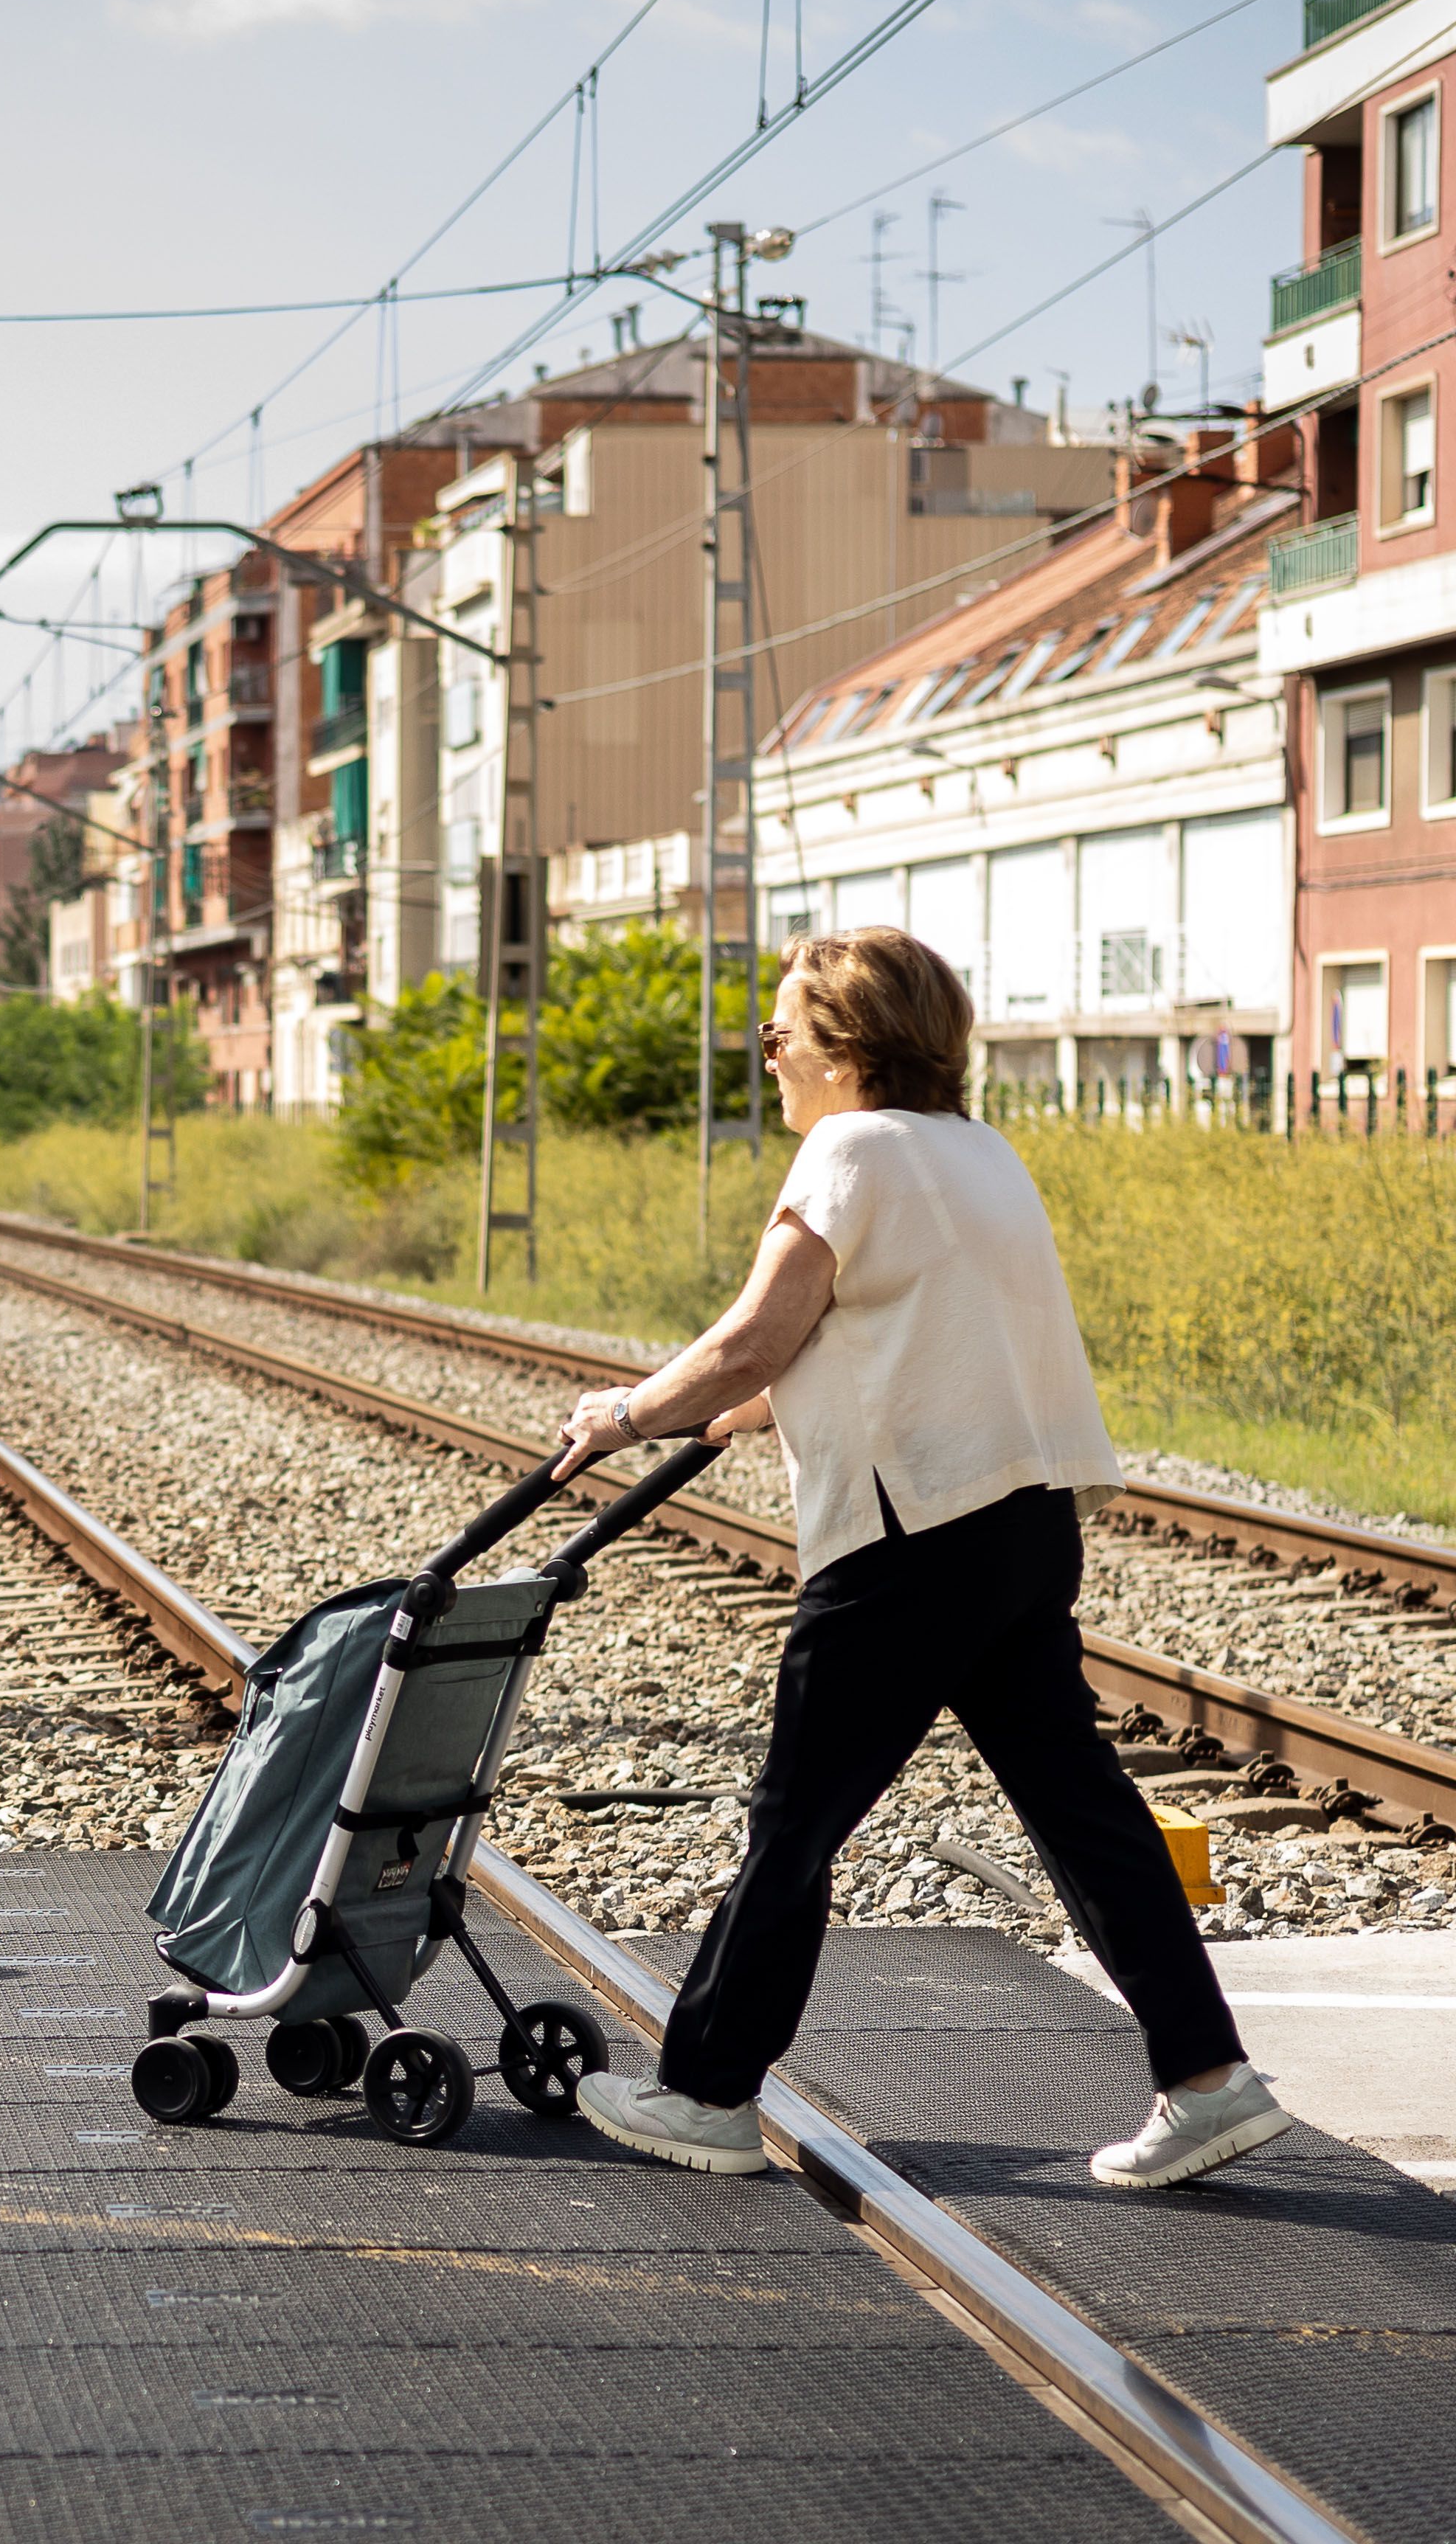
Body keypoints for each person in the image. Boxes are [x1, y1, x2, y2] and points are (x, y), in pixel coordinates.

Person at [555, 929, 1291, 2192]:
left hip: (910, 1540)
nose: (771, 1054)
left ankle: (705, 2092)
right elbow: (894, 1335)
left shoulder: (848, 1149)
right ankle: (1208, 2076)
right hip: (1018, 1519)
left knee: (794, 1820)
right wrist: (743, 1409)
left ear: (848, 1044)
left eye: (783, 1032)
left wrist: (626, 1413)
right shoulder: (978, 1152)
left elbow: (754, 1337)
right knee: (1082, 1806)